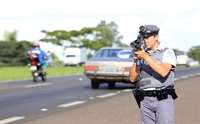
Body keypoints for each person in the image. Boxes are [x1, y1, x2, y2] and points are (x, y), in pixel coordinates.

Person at [129, 25, 178, 124]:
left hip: (163, 98)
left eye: (147, 37)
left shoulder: (167, 52)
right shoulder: (143, 53)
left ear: (156, 37)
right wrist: (136, 61)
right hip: (145, 99)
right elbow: (132, 78)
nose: (145, 40)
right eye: (143, 38)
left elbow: (164, 72)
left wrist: (145, 57)